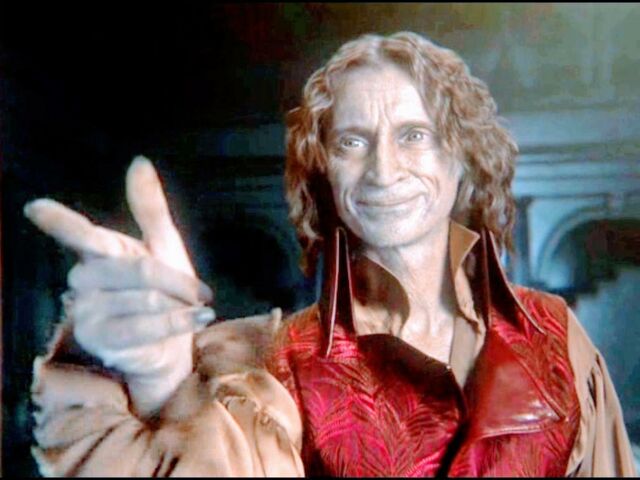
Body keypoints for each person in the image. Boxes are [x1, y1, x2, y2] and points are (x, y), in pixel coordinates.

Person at [25, 31, 635, 477]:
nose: (384, 170)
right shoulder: (275, 365)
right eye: (352, 142)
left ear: (462, 159)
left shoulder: (556, 337)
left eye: (414, 135)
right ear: (324, 173)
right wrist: (162, 387)